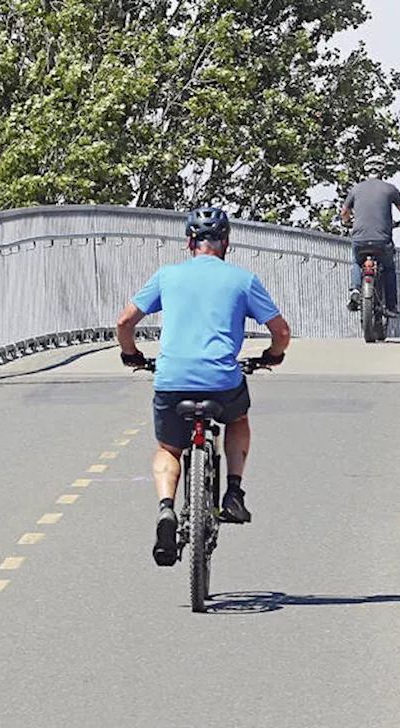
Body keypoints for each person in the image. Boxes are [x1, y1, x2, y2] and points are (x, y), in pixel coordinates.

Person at [116, 206, 291, 567]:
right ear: (226, 242)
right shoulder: (243, 279)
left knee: (169, 447)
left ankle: (167, 507)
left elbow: (124, 321)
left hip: (172, 380)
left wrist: (132, 354)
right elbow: (281, 331)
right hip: (222, 381)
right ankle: (234, 493)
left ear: (189, 242)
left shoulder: (167, 276)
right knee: (238, 419)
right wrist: (272, 355)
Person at [341, 156, 400, 317]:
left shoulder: (356, 189)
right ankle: (392, 306)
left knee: (357, 262)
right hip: (382, 240)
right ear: (382, 171)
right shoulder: (390, 189)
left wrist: (346, 223)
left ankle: (355, 289)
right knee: (388, 268)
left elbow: (344, 212)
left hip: (360, 240)